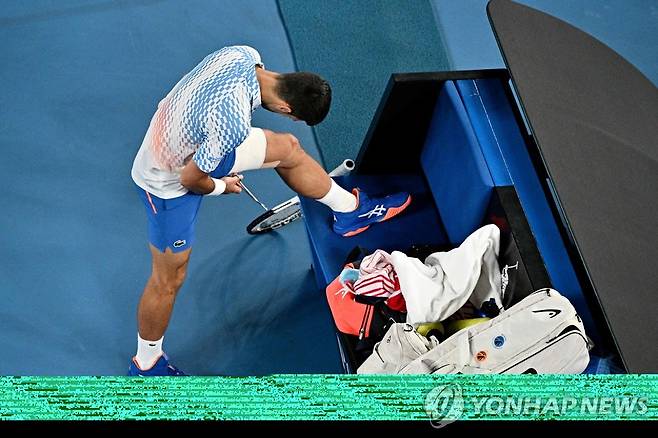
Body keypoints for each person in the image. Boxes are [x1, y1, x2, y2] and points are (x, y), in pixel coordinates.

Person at [129, 45, 411, 376]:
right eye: (291, 116)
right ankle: (146, 363)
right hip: (166, 177)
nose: (287, 119)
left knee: (288, 149)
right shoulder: (231, 123)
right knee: (169, 279)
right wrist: (222, 186)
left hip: (195, 133)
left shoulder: (244, 53)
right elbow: (192, 178)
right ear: (283, 106)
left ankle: (350, 210)